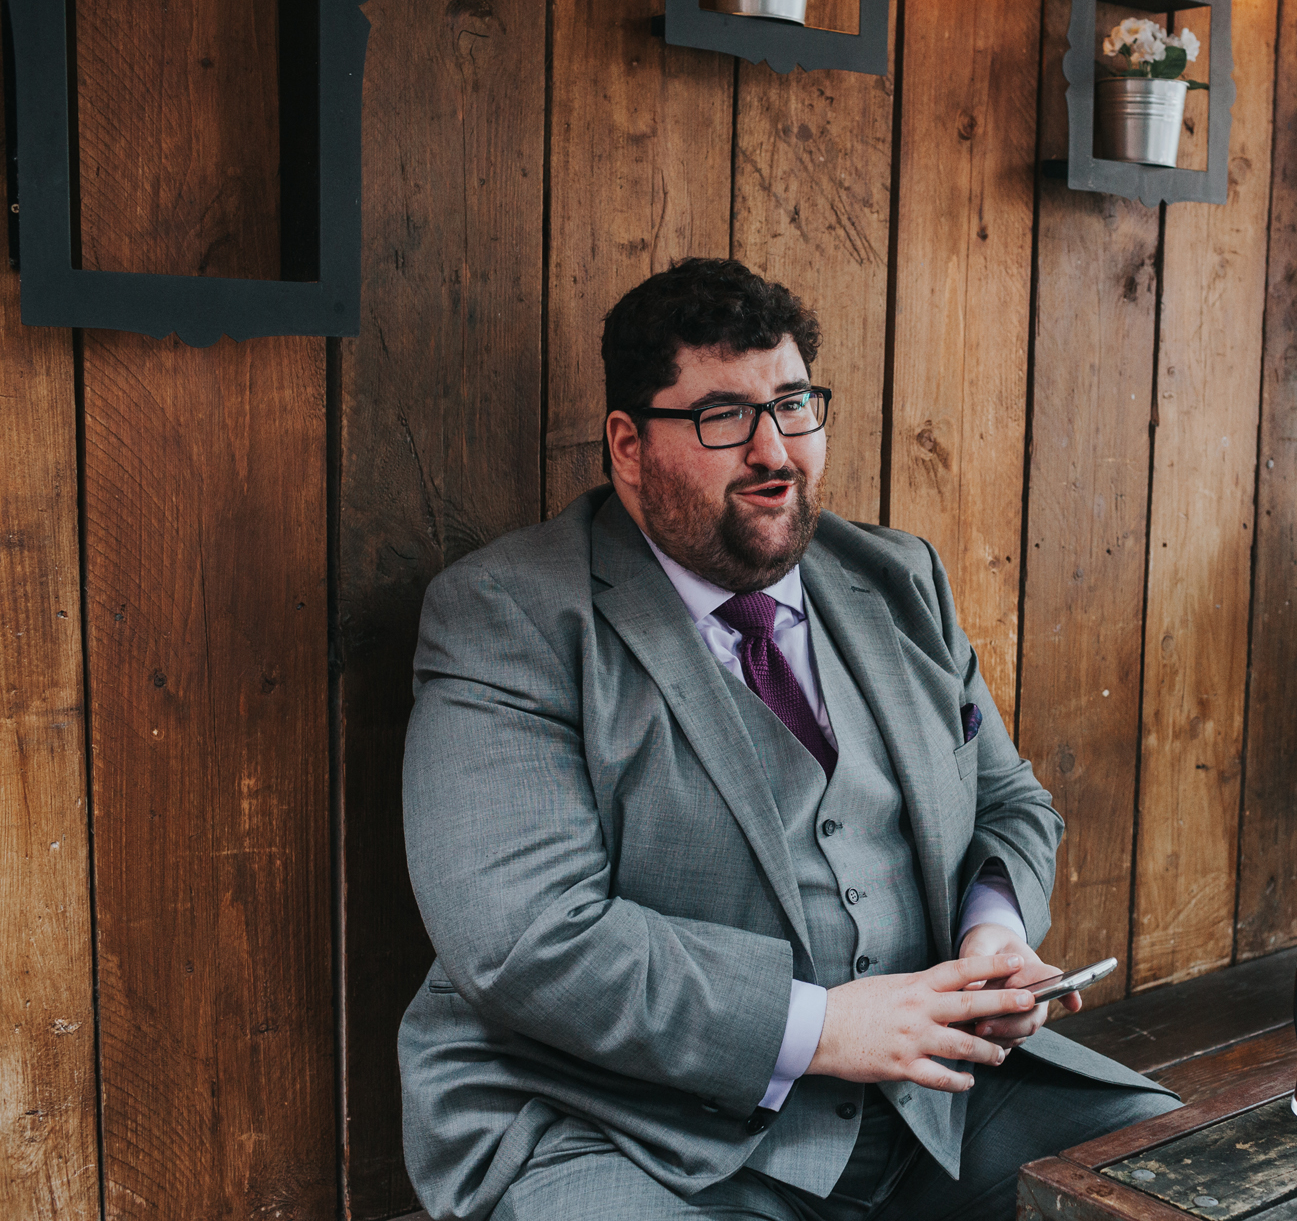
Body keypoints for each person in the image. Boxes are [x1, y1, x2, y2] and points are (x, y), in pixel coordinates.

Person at [396, 257, 1178, 1221]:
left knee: (1199, 1181)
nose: (775, 450)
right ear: (628, 445)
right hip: (626, 1128)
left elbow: (1009, 802)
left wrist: (994, 937)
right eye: (723, 416)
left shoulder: (898, 576)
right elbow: (525, 941)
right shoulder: (507, 617)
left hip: (934, 1099)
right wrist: (821, 1028)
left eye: (794, 404)